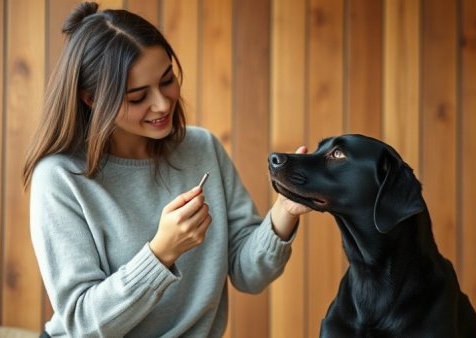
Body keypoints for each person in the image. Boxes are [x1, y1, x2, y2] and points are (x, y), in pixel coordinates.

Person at [22, 2, 310, 337]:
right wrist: (162, 252)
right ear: (91, 99)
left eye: (167, 79)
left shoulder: (203, 148)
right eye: (137, 96)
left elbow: (249, 274)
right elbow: (84, 323)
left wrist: (285, 210)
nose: (161, 104)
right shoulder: (59, 177)